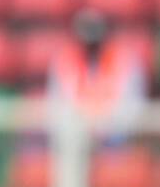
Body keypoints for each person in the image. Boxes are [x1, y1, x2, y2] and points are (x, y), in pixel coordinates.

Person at [47, 9, 147, 146]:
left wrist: (108, 126)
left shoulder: (124, 60)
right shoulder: (65, 60)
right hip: (76, 135)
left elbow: (133, 104)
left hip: (116, 134)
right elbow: (57, 105)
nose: (91, 47)